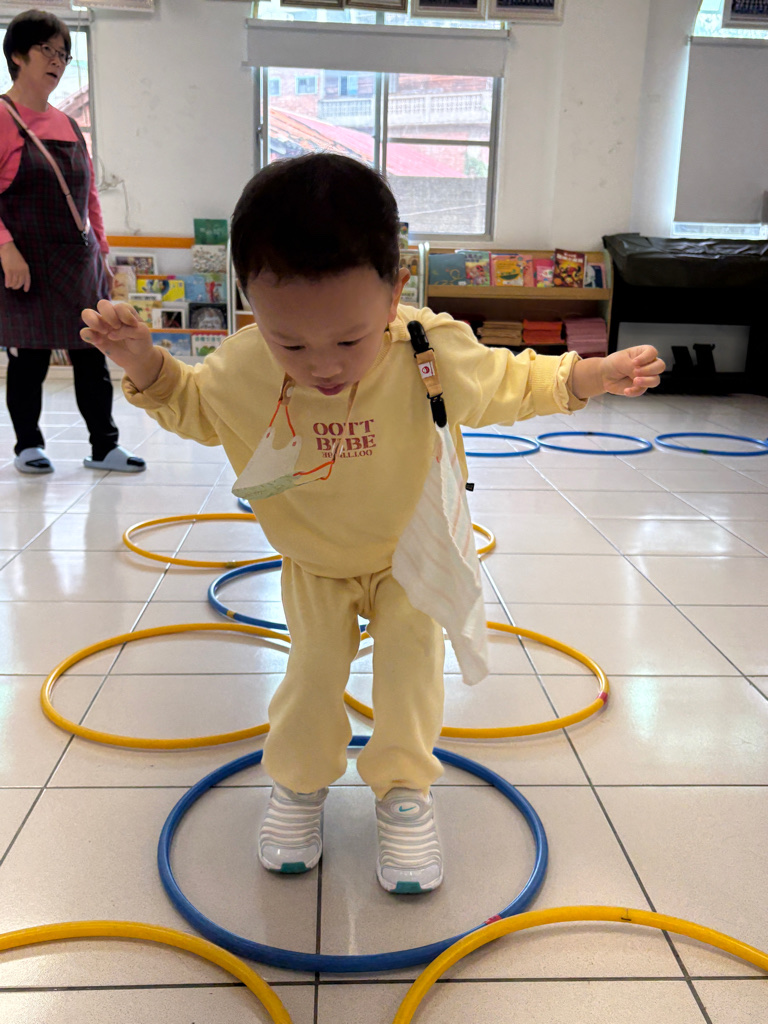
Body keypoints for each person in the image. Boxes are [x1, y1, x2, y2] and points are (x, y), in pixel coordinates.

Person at [81, 154, 665, 894]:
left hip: (413, 553)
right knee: (311, 677)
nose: (322, 366)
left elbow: (510, 380)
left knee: (410, 679)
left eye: (349, 341)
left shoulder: (427, 350)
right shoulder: (243, 365)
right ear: (250, 303)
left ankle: (404, 790)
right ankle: (299, 786)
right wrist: (142, 362)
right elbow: (195, 406)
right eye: (291, 343)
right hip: (314, 561)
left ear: (395, 292)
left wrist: (587, 374)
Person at [0, 9, 144, 474]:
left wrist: (102, 253)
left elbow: (88, 197)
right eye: (48, 50)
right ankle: (28, 447)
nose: (57, 62)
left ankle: (105, 447)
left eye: (64, 54)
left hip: (78, 260)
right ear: (17, 55)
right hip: (24, 261)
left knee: (92, 353)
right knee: (29, 356)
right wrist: (5, 249)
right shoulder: (1, 117)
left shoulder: (67, 124)